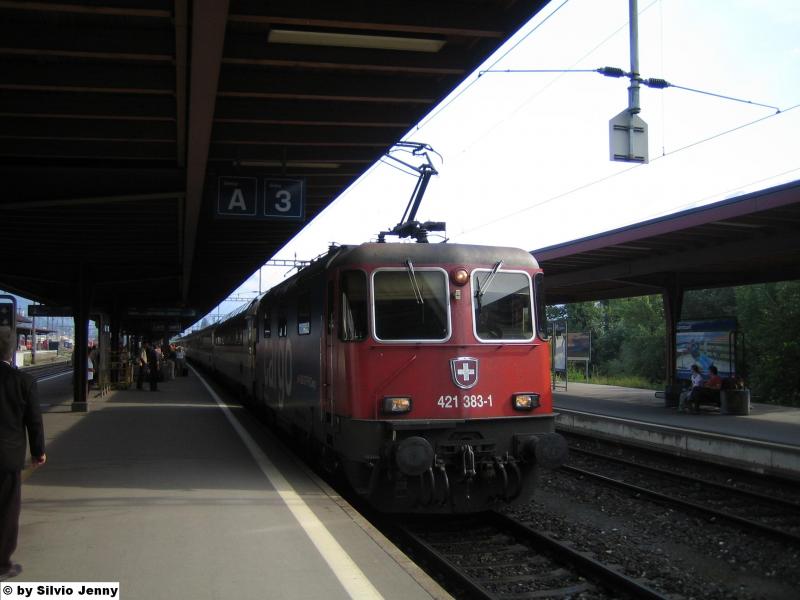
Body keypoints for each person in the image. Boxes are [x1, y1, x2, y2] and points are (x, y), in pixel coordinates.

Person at [0, 328, 46, 581]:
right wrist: (38, 452)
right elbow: (34, 422)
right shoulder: (24, 382)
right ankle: (2, 563)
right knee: (7, 510)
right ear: (12, 351)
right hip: (7, 457)